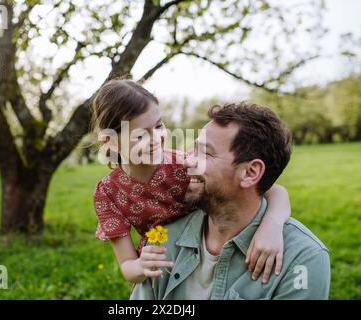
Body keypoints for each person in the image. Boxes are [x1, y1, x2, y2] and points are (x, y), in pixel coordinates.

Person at [92, 80, 292, 285]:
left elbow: (274, 191)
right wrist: (140, 267)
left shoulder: (183, 164)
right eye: (141, 134)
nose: (156, 139)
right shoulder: (108, 192)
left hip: (208, 252)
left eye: (159, 126)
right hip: (162, 270)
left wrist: (272, 225)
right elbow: (127, 265)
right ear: (111, 141)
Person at [131, 102, 330, 300]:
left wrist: (274, 222)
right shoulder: (164, 239)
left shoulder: (302, 259)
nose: (187, 161)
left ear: (250, 173)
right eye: (193, 150)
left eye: (205, 153)